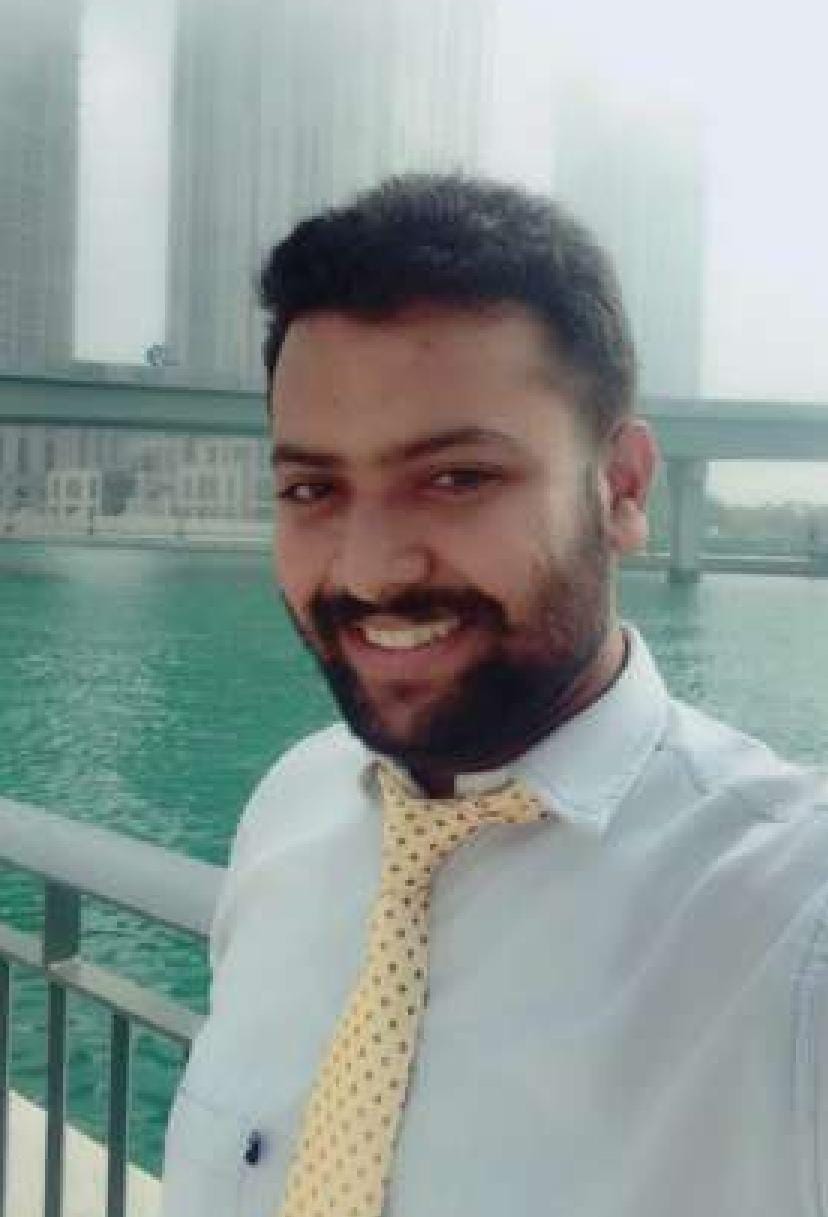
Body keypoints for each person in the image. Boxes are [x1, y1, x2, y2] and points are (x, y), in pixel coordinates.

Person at [161, 174, 828, 1217]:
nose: (370, 570)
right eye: (312, 489)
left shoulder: (789, 930)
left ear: (622, 488)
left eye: (457, 477)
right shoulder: (291, 810)